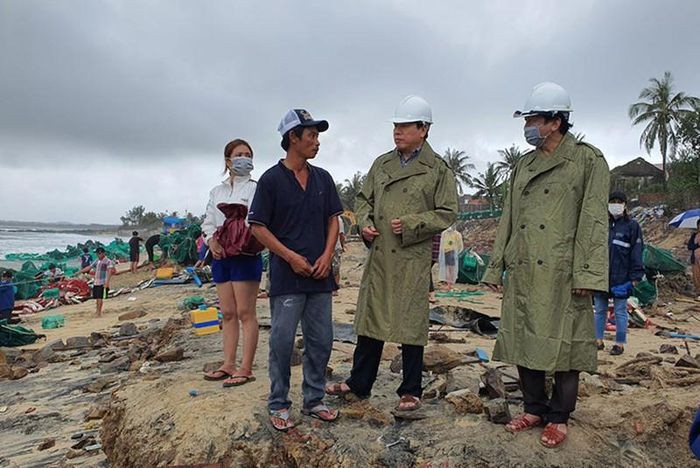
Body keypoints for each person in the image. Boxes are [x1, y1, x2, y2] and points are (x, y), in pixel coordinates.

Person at [481, 82, 609, 448]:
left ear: (556, 122)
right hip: (524, 267)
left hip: (563, 269)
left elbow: (594, 220)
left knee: (565, 344)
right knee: (524, 338)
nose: (528, 126)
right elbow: (509, 216)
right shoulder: (522, 165)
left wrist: (587, 272)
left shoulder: (588, 160)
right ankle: (534, 407)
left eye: (534, 119)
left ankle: (560, 415)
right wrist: (496, 266)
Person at [325, 95, 459, 414]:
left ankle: (411, 389)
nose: (397, 132)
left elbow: (447, 212)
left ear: (423, 130)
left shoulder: (437, 169)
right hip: (381, 256)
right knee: (371, 320)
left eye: (404, 126)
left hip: (412, 258)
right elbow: (363, 199)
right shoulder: (381, 164)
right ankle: (359, 382)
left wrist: (412, 224)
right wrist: (367, 224)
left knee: (410, 324)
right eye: (395, 126)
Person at [249, 109, 343, 431]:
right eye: (311, 136)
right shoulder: (271, 181)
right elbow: (258, 227)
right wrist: (289, 257)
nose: (317, 143)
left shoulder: (323, 179)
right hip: (288, 277)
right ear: (293, 138)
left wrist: (328, 255)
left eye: (317, 136)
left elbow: (334, 219)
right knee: (282, 340)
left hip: (319, 275)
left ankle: (315, 399)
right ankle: (279, 402)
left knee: (322, 339)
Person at [200, 139, 263, 388]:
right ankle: (228, 363)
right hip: (221, 255)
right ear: (228, 160)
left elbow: (259, 220)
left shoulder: (257, 189)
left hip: (245, 255)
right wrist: (211, 241)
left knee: (246, 312)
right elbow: (208, 221)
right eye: (239, 154)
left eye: (248, 154)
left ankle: (245, 367)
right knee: (227, 313)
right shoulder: (217, 192)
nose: (244, 158)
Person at [593, 191, 644, 356]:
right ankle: (598, 340)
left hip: (621, 277)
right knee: (599, 310)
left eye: (619, 201)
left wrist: (635, 276)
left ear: (625, 205)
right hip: (602, 276)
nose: (616, 204)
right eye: (613, 201)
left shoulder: (632, 226)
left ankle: (619, 343)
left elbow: (637, 251)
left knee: (620, 311)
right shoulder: (602, 225)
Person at [77, 247, 116, 316]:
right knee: (97, 298)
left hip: (102, 281)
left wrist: (107, 282)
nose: (98, 255)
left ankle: (99, 312)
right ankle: (97, 311)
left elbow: (109, 272)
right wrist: (79, 272)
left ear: (103, 253)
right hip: (96, 281)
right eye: (97, 254)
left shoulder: (108, 261)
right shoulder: (97, 260)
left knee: (99, 298)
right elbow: (89, 267)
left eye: (100, 254)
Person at [438, 225, 464, 289]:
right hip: (445, 252)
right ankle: (448, 283)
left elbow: (460, 245)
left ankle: (450, 283)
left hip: (452, 251)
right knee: (447, 268)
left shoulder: (457, 234)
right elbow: (441, 243)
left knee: (451, 268)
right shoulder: (444, 233)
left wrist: (457, 252)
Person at [332, 216, 347, 296]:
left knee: (335, 268)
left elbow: (341, 235)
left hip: (336, 247)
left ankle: (335, 288)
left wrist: (342, 245)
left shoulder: (338, 220)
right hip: (327, 247)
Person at [688, 219, 700, 301]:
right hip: (695, 259)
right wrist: (697, 245)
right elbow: (689, 246)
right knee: (696, 276)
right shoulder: (694, 236)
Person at [429, 234, 441, 303]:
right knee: (427, 272)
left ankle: (431, 294)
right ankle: (431, 294)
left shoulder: (433, 229)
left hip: (430, 254)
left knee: (426, 273)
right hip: (434, 254)